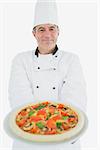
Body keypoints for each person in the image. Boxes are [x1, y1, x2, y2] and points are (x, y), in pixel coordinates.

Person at [8, 0, 87, 150]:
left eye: (52, 28)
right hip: (28, 142)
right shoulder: (21, 60)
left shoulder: (71, 60)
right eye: (41, 29)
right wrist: (37, 127)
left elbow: (75, 98)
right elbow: (19, 97)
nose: (47, 35)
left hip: (64, 141)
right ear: (34, 33)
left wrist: (61, 127)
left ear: (58, 31)